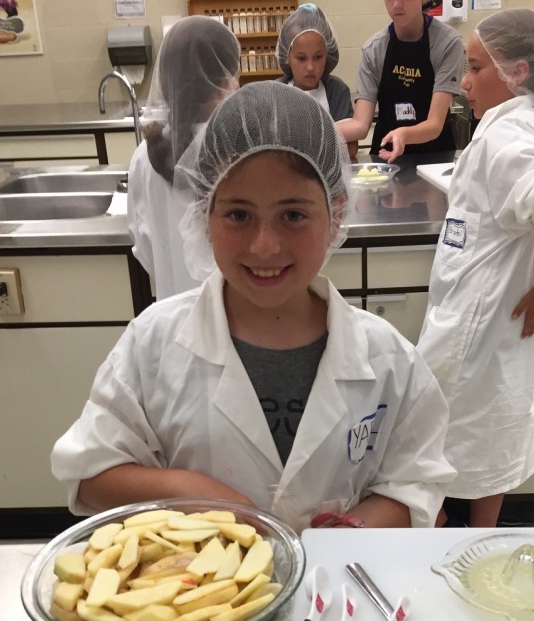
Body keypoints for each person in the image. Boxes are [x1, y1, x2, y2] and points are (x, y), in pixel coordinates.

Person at [52, 81, 455, 533]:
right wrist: (193, 493)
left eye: (293, 215)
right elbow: (88, 476)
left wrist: (340, 538)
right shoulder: (153, 344)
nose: (264, 247)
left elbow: (417, 485)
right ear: (204, 211)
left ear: (336, 212)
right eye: (239, 215)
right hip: (199, 580)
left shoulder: (389, 360)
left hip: (342, 577)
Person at [417, 8, 534, 528]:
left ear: (517, 72)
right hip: (484, 318)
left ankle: (438, 533)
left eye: (477, 68)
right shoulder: (509, 126)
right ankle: (473, 538)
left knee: (431, 442)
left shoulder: (509, 138)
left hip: (475, 326)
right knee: (487, 438)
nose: (464, 82)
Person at [127, 16, 241, 300]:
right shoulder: (240, 149)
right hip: (236, 311)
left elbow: (143, 247)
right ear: (221, 85)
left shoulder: (143, 157)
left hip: (173, 309)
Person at [336, 0, 463, 162]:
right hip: (386, 158)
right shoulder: (373, 49)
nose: (396, 5)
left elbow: (434, 124)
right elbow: (360, 125)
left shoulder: (447, 43)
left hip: (435, 159)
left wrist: (403, 135)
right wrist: (313, 131)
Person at [275, 3, 358, 158]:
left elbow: (351, 148)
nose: (310, 67)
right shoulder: (276, 91)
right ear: (287, 57)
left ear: (327, 55)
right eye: (301, 58)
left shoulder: (336, 90)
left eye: (318, 57)